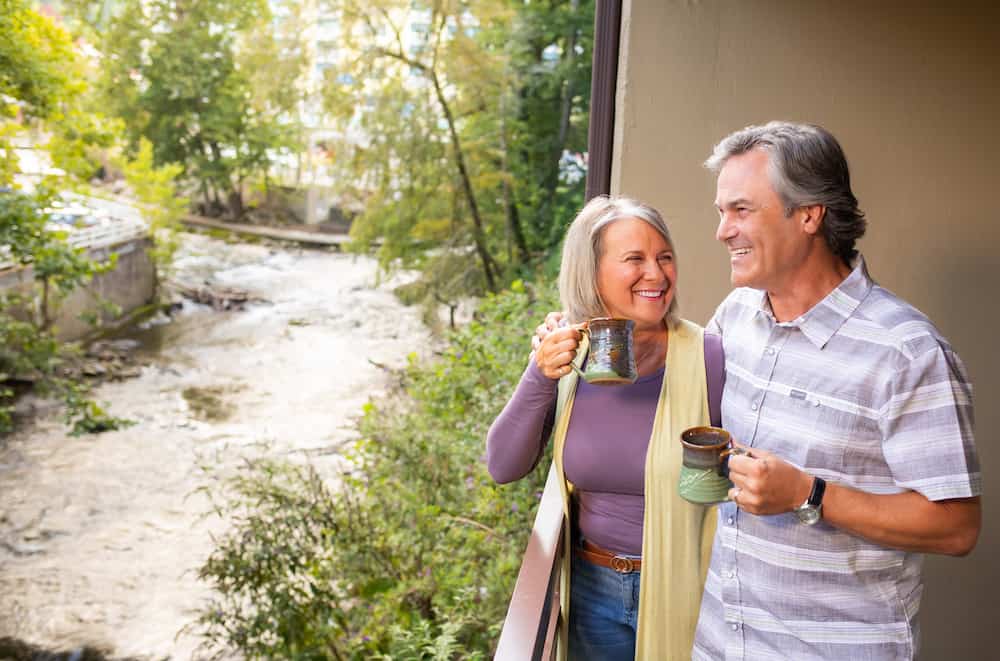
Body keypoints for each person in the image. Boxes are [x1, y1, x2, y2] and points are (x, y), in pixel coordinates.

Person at [691, 121, 981, 660]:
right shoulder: (736, 317)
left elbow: (956, 527)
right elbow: (674, 390)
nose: (722, 231)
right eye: (721, 212)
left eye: (741, 210)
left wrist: (809, 493)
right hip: (719, 646)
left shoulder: (906, 353)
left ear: (809, 214)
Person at [486, 195, 725, 661]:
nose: (656, 274)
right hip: (591, 592)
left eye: (665, 257)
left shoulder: (708, 357)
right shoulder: (567, 354)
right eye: (634, 259)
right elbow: (502, 465)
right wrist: (540, 373)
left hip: (689, 587)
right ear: (591, 273)